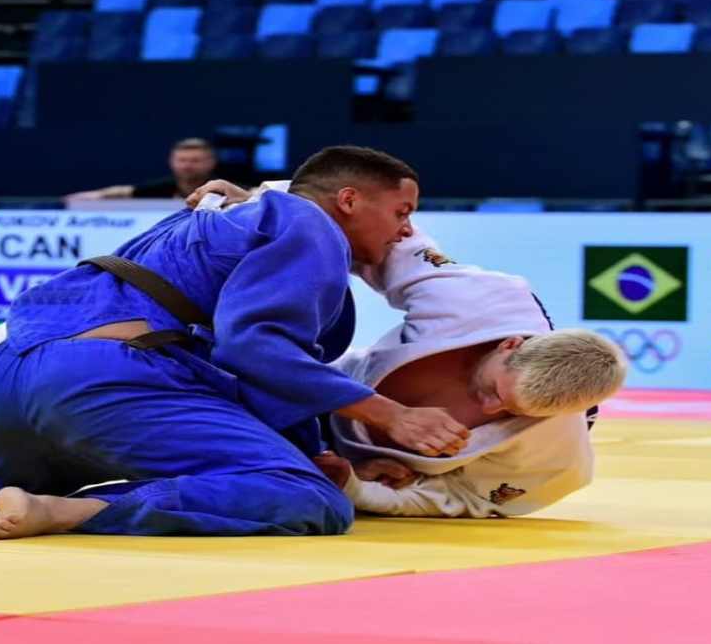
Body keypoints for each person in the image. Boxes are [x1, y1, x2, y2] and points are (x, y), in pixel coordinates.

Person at [0, 146, 472, 538]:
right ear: (348, 200)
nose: (407, 230)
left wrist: (318, 441)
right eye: (401, 211)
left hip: (7, 377)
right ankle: (78, 513)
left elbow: (252, 365)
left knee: (41, 469)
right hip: (109, 379)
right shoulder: (309, 227)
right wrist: (390, 416)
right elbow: (256, 353)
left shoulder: (203, 221)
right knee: (308, 498)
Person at [185, 179, 627, 518]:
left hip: (332, 460)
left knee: (290, 500)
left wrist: (356, 488)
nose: (492, 408)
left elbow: (458, 498)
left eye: (513, 412)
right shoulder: (476, 300)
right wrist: (265, 205)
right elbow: (380, 231)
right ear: (510, 344)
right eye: (496, 390)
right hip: (312, 388)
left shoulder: (557, 456)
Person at [63, 138, 218, 202]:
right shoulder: (162, 187)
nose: (187, 165)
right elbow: (126, 191)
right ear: (171, 161)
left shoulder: (223, 187)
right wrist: (94, 195)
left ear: (211, 162)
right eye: (182, 160)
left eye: (195, 161)